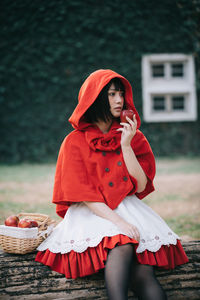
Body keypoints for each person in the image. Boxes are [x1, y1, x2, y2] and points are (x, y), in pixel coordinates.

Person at [35, 69, 188, 300]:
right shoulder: (73, 142)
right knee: (123, 244)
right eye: (111, 94)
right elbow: (85, 195)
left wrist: (126, 145)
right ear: (95, 97)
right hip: (91, 212)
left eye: (121, 94)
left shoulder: (133, 135)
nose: (120, 100)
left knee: (143, 274)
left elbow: (139, 186)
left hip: (128, 208)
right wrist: (119, 223)